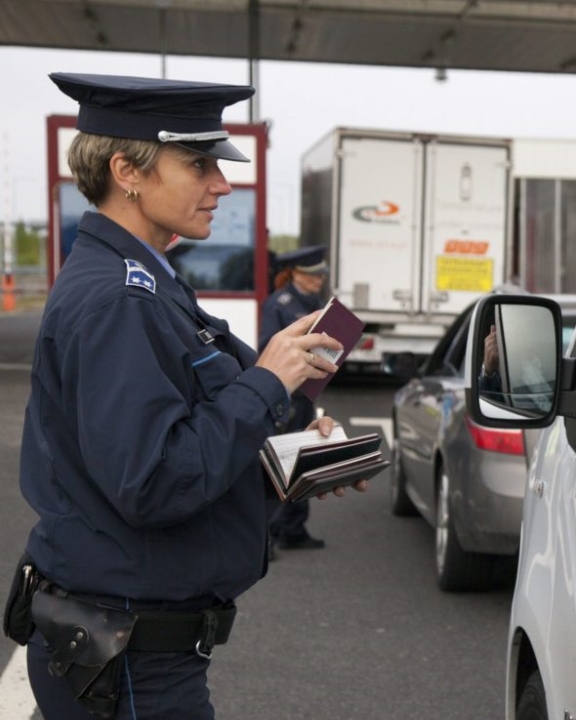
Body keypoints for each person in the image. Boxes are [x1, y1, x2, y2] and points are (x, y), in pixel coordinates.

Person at [8, 73, 365, 719]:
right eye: (199, 163)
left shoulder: (144, 281)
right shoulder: (121, 297)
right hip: (130, 660)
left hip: (134, 652)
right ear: (128, 171)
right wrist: (265, 382)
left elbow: (170, 442)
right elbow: (152, 481)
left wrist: (281, 461)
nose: (222, 184)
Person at [261, 246, 331, 553]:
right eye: (314, 275)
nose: (320, 279)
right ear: (296, 274)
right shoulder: (279, 304)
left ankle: (294, 528)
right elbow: (268, 346)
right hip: (287, 392)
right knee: (284, 460)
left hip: (306, 391)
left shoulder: (316, 303)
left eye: (322, 275)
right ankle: (270, 533)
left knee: (303, 459)